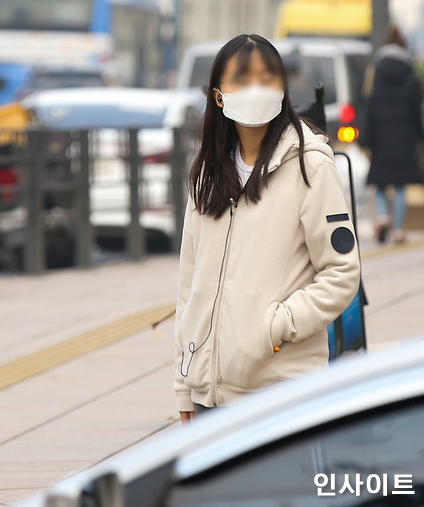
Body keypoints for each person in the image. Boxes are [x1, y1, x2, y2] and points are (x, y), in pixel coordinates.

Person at [173, 34, 361, 424]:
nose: (256, 88)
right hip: (210, 393)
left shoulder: (311, 164)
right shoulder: (207, 173)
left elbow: (342, 272)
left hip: (281, 392)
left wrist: (277, 327)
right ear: (219, 96)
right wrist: (185, 385)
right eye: (242, 78)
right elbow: (189, 286)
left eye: (267, 77)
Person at [359, 25, 424, 244]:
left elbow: (367, 105)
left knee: (379, 182)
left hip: (380, 136)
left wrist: (365, 137)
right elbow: (418, 109)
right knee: (399, 185)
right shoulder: (411, 73)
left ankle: (383, 217)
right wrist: (420, 136)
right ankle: (397, 230)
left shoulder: (375, 71)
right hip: (404, 137)